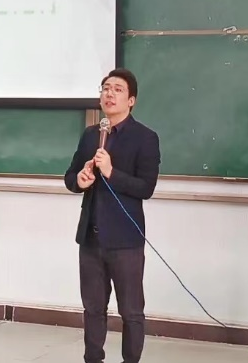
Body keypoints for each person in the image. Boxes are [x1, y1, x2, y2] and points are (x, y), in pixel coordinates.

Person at [64, 68, 161, 363]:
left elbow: (146, 188)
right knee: (93, 309)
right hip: (90, 239)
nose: (109, 93)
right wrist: (80, 180)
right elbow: (70, 177)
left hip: (125, 242)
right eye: (105, 88)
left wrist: (110, 172)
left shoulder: (145, 138)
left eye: (117, 89)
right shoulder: (91, 135)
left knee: (131, 312)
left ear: (131, 100)